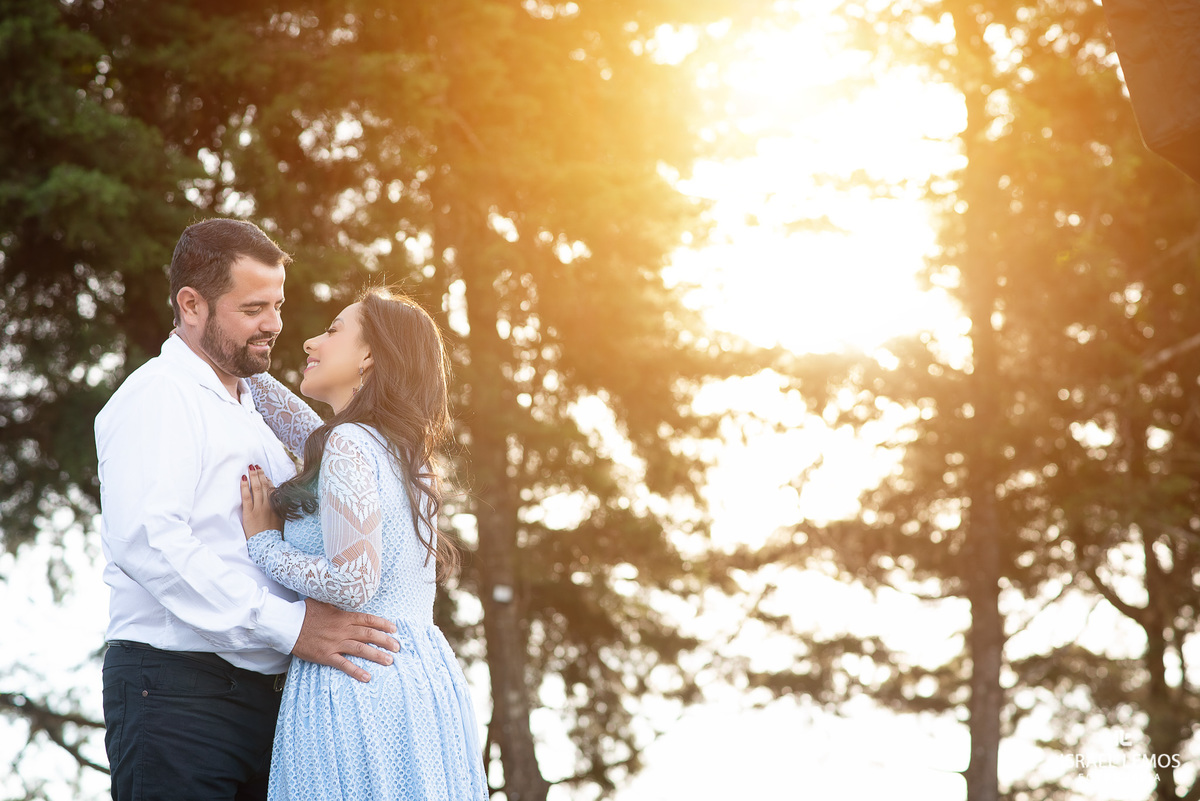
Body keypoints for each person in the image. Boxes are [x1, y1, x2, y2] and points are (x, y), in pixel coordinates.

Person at [96, 218, 400, 801]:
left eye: (279, 305)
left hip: (272, 701)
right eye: (254, 308)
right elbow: (150, 542)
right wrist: (292, 628)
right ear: (191, 304)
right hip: (178, 694)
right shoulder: (159, 395)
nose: (276, 326)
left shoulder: (254, 412)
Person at [238, 287, 488, 801]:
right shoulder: (400, 450)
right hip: (418, 678)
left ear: (370, 355)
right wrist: (238, 358)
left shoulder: (350, 443)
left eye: (332, 331)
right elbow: (305, 428)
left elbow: (353, 581)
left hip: (357, 677)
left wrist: (264, 543)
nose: (310, 340)